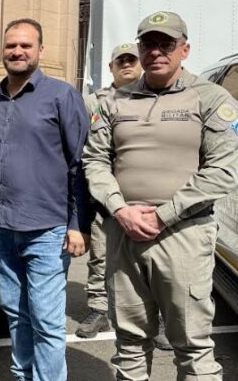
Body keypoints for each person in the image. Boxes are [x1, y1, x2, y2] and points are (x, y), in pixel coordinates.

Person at [83, 11, 238, 380]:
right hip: (124, 232)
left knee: (192, 345)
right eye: (148, 43)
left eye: (166, 43)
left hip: (183, 235)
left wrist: (162, 215)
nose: (155, 51)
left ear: (184, 49)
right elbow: (95, 160)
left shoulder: (210, 98)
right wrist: (119, 209)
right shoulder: (115, 101)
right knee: (129, 343)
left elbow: (221, 172)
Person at [0, 18, 90, 381]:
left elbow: (81, 163)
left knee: (46, 320)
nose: (17, 52)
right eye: (11, 45)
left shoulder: (62, 96)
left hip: (48, 228)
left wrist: (79, 224)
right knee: (16, 313)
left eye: (25, 45)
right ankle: (23, 375)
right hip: (2, 226)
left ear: (40, 50)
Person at [76, 43, 142, 339]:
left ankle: (154, 316)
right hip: (103, 196)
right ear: (111, 67)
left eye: (132, 60)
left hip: (141, 194)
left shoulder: (153, 98)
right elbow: (82, 146)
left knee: (145, 257)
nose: (126, 64)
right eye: (120, 61)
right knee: (101, 256)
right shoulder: (92, 102)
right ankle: (99, 309)